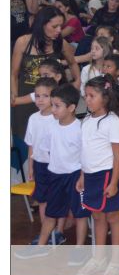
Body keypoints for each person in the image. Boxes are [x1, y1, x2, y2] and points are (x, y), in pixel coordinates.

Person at [15, 84, 90, 262]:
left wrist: (82, 177)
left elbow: (86, 156)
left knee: (80, 215)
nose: (53, 109)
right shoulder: (52, 127)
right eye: (53, 105)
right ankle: (41, 245)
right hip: (55, 175)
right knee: (50, 213)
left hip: (74, 176)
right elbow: (46, 152)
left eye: (57, 106)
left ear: (71, 108)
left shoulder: (81, 129)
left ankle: (80, 249)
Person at [11, 7, 81, 161]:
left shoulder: (60, 43)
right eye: (54, 26)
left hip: (51, 101)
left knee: (49, 140)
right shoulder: (23, 42)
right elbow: (14, 73)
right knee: (24, 138)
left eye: (61, 26)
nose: (58, 31)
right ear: (42, 24)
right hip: (25, 97)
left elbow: (72, 63)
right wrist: (14, 96)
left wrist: (77, 82)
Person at [74, 75, 119, 275]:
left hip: (107, 175)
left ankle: (116, 261)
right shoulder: (86, 120)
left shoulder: (113, 122)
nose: (87, 99)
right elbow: (85, 152)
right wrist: (82, 176)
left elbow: (118, 155)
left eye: (91, 96)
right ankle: (98, 257)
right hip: (91, 176)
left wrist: (114, 182)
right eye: (85, 95)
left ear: (105, 98)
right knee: (97, 216)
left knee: (113, 217)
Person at [24, 77, 64, 245]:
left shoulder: (57, 118)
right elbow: (31, 145)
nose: (40, 99)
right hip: (40, 165)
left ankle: (59, 232)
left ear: (54, 97)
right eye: (38, 96)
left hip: (57, 166)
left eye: (45, 96)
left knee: (59, 199)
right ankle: (45, 233)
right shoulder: (33, 118)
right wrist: (31, 167)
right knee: (42, 200)